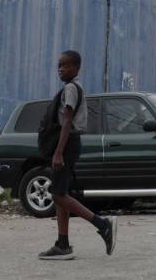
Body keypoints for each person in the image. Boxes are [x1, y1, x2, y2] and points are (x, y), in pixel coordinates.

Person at [38, 50, 117, 260]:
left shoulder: (71, 89)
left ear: (76, 68)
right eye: (59, 66)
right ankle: (62, 244)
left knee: (57, 195)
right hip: (69, 143)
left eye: (65, 65)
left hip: (67, 143)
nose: (61, 69)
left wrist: (58, 152)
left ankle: (103, 224)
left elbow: (67, 123)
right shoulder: (71, 88)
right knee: (60, 194)